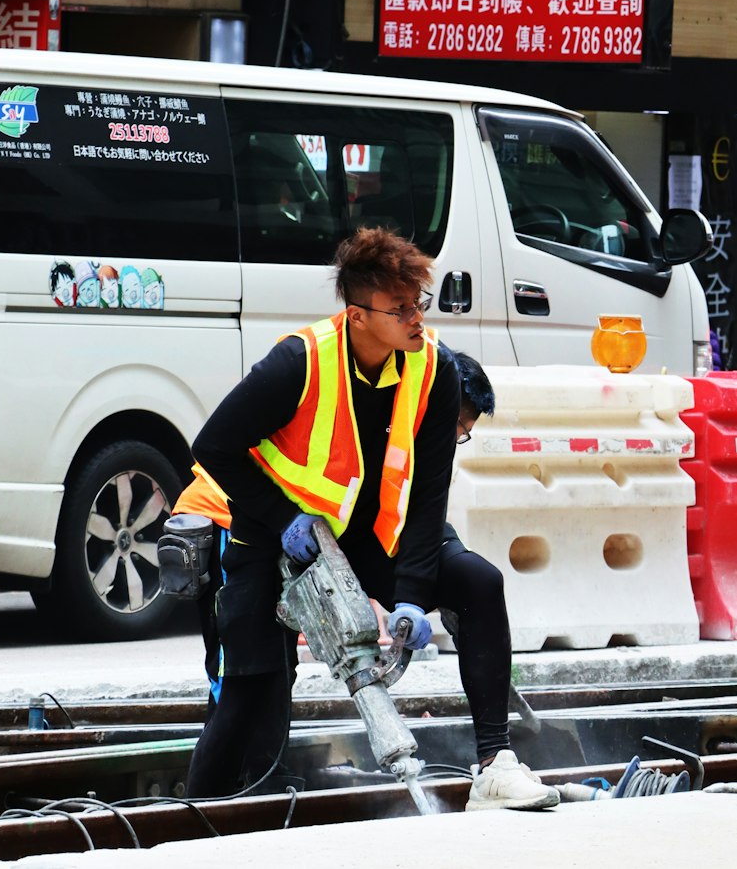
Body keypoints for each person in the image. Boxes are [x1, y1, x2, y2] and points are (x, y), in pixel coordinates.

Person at [180, 226, 557, 811]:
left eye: (420, 304)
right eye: (401, 309)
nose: (417, 320)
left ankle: (495, 765)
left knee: (479, 584)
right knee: (252, 698)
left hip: (369, 535)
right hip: (268, 534)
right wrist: (284, 519)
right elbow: (214, 445)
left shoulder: (435, 370)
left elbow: (430, 495)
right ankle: (201, 819)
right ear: (358, 315)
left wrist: (411, 594)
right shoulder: (297, 362)